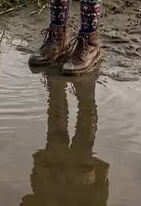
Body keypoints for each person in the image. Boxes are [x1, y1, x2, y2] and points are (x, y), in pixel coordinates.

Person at [20, 71, 109, 205]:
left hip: (59, 187)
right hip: (71, 187)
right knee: (75, 144)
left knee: (63, 144)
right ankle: (82, 84)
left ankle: (77, 82)